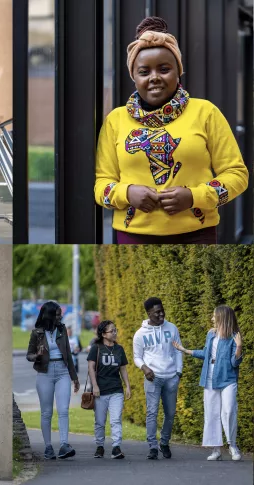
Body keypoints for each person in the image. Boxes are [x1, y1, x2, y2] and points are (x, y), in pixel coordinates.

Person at [94, 16, 248, 244]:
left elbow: (237, 176)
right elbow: (101, 186)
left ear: (178, 72)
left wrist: (193, 197)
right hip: (131, 237)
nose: (155, 77)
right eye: (144, 72)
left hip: (198, 236)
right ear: (134, 77)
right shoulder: (115, 120)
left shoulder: (205, 112)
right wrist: (127, 193)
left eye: (164, 69)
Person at [173, 305, 243, 461]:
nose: (212, 319)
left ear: (222, 318)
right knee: (211, 413)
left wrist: (239, 346)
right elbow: (206, 353)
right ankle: (216, 449)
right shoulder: (211, 334)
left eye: (214, 316)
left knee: (229, 410)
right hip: (209, 377)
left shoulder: (234, 337)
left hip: (227, 379)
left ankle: (232, 445)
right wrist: (185, 350)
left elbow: (234, 362)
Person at [26, 301, 80, 460]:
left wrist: (74, 377)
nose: (60, 316)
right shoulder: (37, 333)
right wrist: (37, 355)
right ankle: (48, 447)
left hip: (62, 371)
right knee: (47, 412)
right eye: (57, 314)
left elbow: (68, 354)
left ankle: (64, 445)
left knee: (63, 410)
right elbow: (29, 355)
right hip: (45, 372)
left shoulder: (62, 329)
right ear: (49, 315)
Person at [133, 296, 182, 459]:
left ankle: (165, 442)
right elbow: (137, 357)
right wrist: (144, 368)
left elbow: (177, 350)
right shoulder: (140, 334)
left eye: (162, 310)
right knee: (152, 413)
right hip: (153, 378)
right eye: (157, 312)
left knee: (170, 413)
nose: (161, 314)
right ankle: (153, 446)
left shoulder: (172, 328)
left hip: (171, 377)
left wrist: (178, 372)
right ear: (148, 313)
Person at [88, 320, 131, 459]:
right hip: (100, 391)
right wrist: (95, 386)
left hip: (116, 390)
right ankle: (100, 446)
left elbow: (123, 369)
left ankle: (116, 447)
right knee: (100, 421)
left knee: (116, 420)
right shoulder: (96, 348)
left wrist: (127, 386)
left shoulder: (119, 349)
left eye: (115, 330)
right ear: (103, 334)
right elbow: (91, 368)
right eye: (111, 331)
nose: (115, 333)